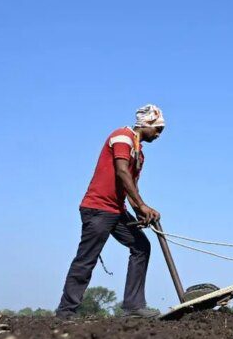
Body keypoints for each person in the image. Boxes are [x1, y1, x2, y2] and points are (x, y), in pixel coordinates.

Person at [55, 104, 165, 319]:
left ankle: (133, 306)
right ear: (147, 124)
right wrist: (142, 205)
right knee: (87, 258)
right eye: (158, 128)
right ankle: (66, 311)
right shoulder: (122, 136)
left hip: (116, 210)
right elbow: (121, 172)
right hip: (98, 208)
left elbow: (130, 185)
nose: (159, 134)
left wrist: (141, 211)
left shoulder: (139, 153)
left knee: (141, 246)